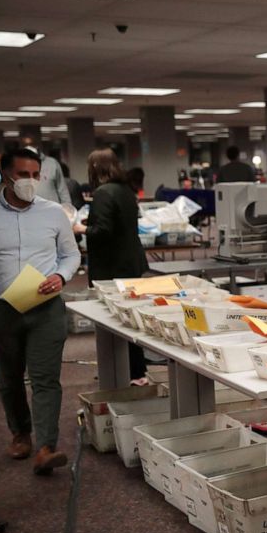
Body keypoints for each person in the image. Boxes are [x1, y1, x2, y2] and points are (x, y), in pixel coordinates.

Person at [0, 147, 80, 473]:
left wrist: (60, 275)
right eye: (24, 175)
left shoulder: (53, 213)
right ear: (5, 175)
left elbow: (71, 255)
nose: (31, 181)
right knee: (8, 379)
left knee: (45, 378)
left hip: (46, 308)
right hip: (0, 309)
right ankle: (20, 433)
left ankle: (46, 446)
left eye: (36, 175)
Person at [74, 148, 150, 385]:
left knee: (115, 321)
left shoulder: (103, 192)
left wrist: (81, 229)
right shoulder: (125, 190)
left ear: (95, 168)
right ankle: (136, 371)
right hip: (130, 263)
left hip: (113, 268)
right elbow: (120, 223)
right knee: (130, 318)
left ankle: (126, 371)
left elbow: (103, 232)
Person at [19, 136, 70, 206]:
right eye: (26, 145)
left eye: (31, 144)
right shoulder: (18, 166)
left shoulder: (52, 163)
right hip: (29, 210)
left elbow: (62, 190)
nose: (29, 147)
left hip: (52, 210)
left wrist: (68, 207)